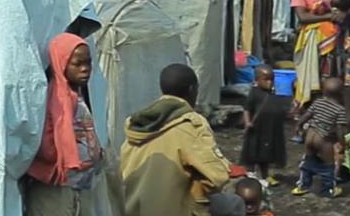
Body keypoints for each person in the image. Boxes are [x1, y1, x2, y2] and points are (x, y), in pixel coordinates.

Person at [122, 64, 231, 216]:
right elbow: (218, 176)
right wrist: (196, 189)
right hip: (175, 209)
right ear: (192, 90)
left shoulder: (137, 124)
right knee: (234, 204)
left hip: (132, 209)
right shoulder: (190, 124)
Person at [25, 34, 104, 215]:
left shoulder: (79, 95)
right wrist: (62, 160)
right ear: (61, 63)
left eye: (88, 63)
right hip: (56, 189)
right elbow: (45, 144)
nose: (85, 69)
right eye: (77, 64)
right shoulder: (57, 100)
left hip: (78, 186)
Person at [291, 0, 345, 104]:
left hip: (333, 39)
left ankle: (328, 106)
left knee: (331, 74)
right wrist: (328, 16)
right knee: (311, 73)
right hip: (312, 39)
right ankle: (309, 106)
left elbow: (344, 8)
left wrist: (340, 15)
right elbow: (302, 17)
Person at [294, 77, 347, 198]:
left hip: (310, 136)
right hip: (324, 140)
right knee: (329, 166)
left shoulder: (318, 102)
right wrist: (342, 144)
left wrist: (298, 125)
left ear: (324, 91)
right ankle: (327, 189)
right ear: (341, 93)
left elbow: (307, 115)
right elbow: (339, 130)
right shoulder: (339, 109)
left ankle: (303, 186)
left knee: (307, 161)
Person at [241, 65, 290, 185]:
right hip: (257, 129)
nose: (270, 82)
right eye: (266, 79)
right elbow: (247, 109)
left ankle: (265, 175)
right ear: (257, 80)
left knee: (266, 153)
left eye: (272, 79)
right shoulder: (254, 93)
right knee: (253, 150)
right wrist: (247, 123)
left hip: (269, 129)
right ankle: (251, 173)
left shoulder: (274, 93)